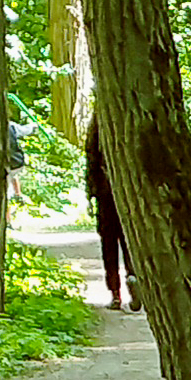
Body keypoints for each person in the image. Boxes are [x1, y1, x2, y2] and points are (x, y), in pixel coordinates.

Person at [81, 124, 128, 313]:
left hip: (104, 194)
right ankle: (133, 277)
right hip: (126, 194)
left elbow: (90, 163)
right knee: (129, 242)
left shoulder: (95, 132)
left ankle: (116, 293)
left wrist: (91, 193)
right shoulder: (124, 125)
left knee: (109, 245)